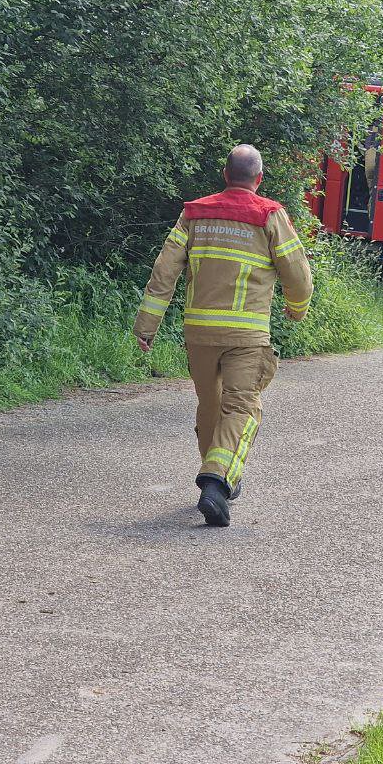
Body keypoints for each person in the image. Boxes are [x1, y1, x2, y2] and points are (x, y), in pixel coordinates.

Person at [132, 145, 314, 527]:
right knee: (242, 407)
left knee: (211, 405)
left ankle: (218, 476)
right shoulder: (270, 215)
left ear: (225, 174)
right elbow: (298, 273)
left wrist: (147, 325)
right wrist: (297, 309)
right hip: (246, 334)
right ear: (258, 179)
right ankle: (216, 481)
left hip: (198, 331)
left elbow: (164, 271)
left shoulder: (194, 214)